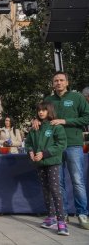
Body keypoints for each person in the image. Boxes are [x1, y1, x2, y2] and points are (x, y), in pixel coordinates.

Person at [34, 72, 89, 229]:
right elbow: (41, 115)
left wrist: (66, 121)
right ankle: (62, 213)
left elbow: (87, 117)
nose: (58, 83)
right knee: (58, 183)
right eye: (55, 81)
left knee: (77, 180)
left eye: (61, 80)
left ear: (67, 82)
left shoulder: (77, 97)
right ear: (53, 84)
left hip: (73, 145)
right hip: (53, 147)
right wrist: (35, 120)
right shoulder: (48, 100)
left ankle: (82, 214)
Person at [26, 101, 68, 236]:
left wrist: (44, 153)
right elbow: (28, 143)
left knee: (55, 190)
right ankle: (51, 218)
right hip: (40, 164)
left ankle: (62, 222)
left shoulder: (56, 126)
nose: (41, 112)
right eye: (39, 110)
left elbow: (61, 144)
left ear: (49, 111)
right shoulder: (35, 127)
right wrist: (31, 151)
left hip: (52, 162)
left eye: (44, 110)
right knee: (46, 190)